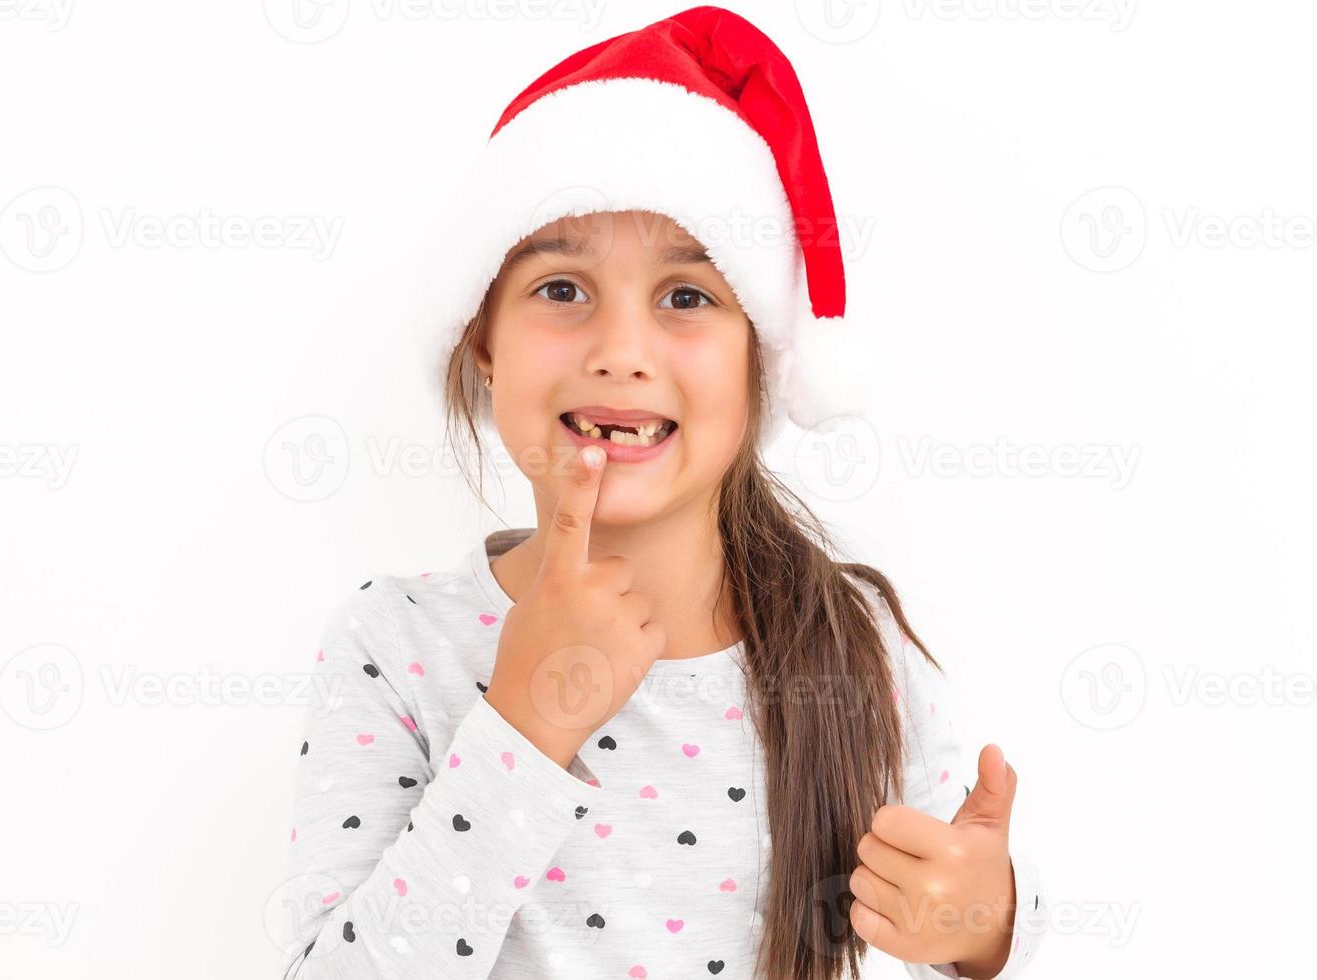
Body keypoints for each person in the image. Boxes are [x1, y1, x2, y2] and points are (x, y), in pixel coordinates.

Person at [279, 7, 1045, 978]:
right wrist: (524, 723)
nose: (622, 354)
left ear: (761, 358)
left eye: (687, 297)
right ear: (484, 340)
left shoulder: (850, 645)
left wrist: (985, 926)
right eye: (561, 288)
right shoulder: (395, 645)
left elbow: (953, 900)